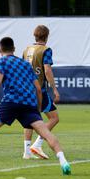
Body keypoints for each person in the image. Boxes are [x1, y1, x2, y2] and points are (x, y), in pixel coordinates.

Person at [0, 37, 71, 176]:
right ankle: (63, 161)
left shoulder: (0, 61)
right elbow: (37, 87)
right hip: (29, 103)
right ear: (14, 49)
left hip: (11, 102)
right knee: (47, 134)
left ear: (0, 50)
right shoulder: (25, 64)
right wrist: (38, 107)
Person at [22, 25, 60, 160]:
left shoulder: (27, 49)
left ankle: (26, 152)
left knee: (29, 119)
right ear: (47, 36)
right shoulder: (46, 50)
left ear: (35, 35)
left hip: (25, 89)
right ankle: (37, 144)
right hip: (38, 90)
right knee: (54, 118)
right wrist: (54, 88)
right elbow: (47, 69)